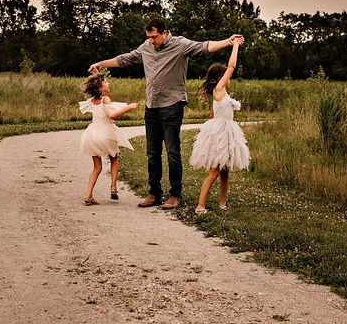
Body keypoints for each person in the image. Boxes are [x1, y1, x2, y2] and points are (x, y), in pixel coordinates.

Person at [89, 18, 242, 210]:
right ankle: (154, 193)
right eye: (149, 37)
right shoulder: (146, 47)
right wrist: (101, 64)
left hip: (172, 105)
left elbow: (205, 46)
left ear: (164, 33)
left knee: (172, 152)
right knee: (152, 153)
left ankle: (174, 195)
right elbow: (124, 59)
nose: (151, 40)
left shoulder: (180, 45)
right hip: (151, 107)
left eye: (154, 37)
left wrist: (228, 42)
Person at [190, 36, 250, 214]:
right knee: (214, 171)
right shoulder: (219, 89)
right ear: (220, 77)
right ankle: (200, 206)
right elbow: (232, 67)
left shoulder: (222, 93)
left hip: (226, 131)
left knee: (225, 172)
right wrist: (236, 46)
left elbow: (214, 113)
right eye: (224, 75)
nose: (228, 77)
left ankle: (222, 204)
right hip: (220, 133)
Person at [78, 73, 140, 206]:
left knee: (97, 167)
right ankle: (113, 186)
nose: (108, 83)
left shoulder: (94, 99)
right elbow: (113, 115)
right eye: (105, 82)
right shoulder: (105, 99)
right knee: (114, 158)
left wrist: (96, 73)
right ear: (100, 87)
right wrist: (129, 107)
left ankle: (88, 195)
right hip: (106, 133)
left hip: (92, 135)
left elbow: (96, 84)